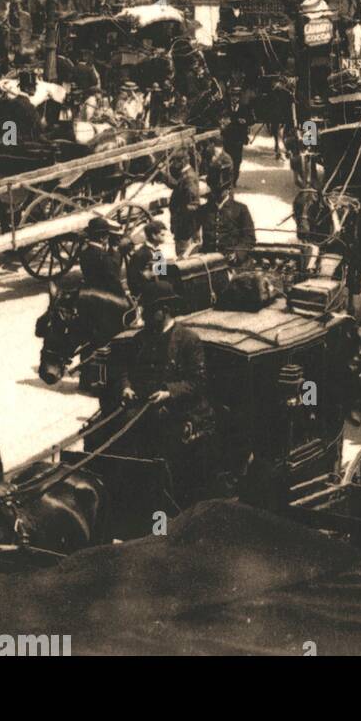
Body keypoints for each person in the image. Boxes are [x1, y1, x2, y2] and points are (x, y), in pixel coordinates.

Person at [118, 276, 214, 503]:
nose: (145, 317)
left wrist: (169, 393)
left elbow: (198, 382)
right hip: (142, 410)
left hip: (179, 413)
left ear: (165, 309)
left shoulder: (188, 341)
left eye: (149, 311)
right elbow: (124, 369)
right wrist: (126, 387)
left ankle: (173, 502)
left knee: (169, 455)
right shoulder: (140, 339)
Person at [200, 178, 257, 265]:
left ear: (228, 189)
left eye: (220, 190)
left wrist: (237, 254)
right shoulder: (204, 209)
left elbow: (249, 238)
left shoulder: (240, 209)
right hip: (207, 263)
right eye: (214, 189)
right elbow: (190, 233)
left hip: (232, 263)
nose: (216, 193)